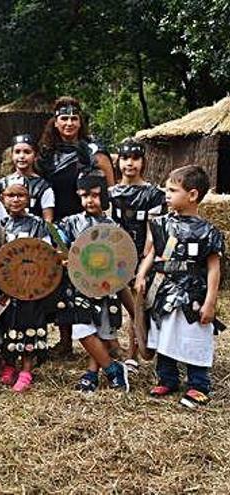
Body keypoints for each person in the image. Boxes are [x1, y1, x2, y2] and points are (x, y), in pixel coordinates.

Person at [135, 165, 225, 408]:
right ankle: (168, 378)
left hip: (193, 293)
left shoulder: (208, 232)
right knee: (165, 335)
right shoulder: (162, 224)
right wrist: (141, 275)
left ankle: (198, 384)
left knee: (192, 337)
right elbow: (153, 253)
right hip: (164, 291)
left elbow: (215, 268)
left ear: (193, 195)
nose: (167, 194)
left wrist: (210, 302)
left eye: (173, 190)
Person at [56, 174, 131, 394]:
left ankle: (92, 373)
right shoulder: (71, 223)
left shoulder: (113, 225)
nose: (89, 201)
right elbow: (61, 248)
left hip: (105, 287)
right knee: (82, 330)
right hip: (80, 287)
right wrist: (64, 256)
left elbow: (122, 257)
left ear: (104, 196)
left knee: (103, 333)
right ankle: (112, 369)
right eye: (84, 196)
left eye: (95, 195)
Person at [109, 139, 166, 364]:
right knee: (123, 306)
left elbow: (153, 231)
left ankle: (135, 354)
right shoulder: (110, 193)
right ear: (118, 161)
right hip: (114, 257)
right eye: (124, 158)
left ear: (143, 162)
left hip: (142, 257)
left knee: (138, 307)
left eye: (135, 158)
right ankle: (118, 349)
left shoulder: (154, 194)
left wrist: (143, 259)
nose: (129, 163)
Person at [0, 184, 53, 392]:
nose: (15, 200)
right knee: (8, 324)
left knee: (30, 325)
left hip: (32, 285)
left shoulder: (38, 225)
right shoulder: (0, 225)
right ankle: (9, 364)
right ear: (3, 199)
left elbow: (46, 254)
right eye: (11, 195)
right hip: (8, 285)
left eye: (20, 195)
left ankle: (27, 369)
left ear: (28, 199)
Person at [37, 96, 114, 223]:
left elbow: (111, 191)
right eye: (64, 118)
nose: (69, 123)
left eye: (74, 119)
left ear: (80, 123)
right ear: (56, 123)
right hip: (58, 223)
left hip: (90, 224)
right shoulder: (46, 155)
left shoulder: (95, 152)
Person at [0, 134, 55, 223]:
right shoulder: (1, 185)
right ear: (12, 155)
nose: (22, 156)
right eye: (17, 152)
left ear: (35, 156)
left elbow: (48, 220)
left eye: (27, 152)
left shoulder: (43, 187)